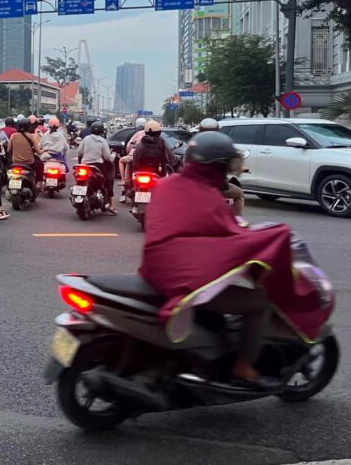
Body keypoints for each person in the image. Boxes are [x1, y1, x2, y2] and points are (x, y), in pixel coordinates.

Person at [139, 131, 333, 389]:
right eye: (226, 166)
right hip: (185, 281)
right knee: (260, 303)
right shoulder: (208, 199)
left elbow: (207, 236)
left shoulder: (166, 185)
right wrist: (272, 239)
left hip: (154, 271)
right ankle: (243, 366)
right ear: (216, 167)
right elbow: (231, 239)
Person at [191, 118, 246, 219]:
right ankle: (237, 220)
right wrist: (239, 168)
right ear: (217, 130)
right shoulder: (223, 145)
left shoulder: (193, 145)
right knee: (239, 194)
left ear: (200, 130)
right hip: (219, 187)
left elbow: (185, 164)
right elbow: (234, 166)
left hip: (196, 187)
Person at [77, 122, 116, 213]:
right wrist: (112, 156)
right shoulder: (102, 141)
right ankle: (111, 205)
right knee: (107, 182)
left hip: (84, 165)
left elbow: (79, 153)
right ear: (102, 131)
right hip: (97, 166)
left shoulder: (86, 139)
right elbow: (107, 157)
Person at [117, 117, 149, 195]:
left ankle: (124, 180)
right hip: (148, 159)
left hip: (133, 156)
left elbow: (128, 146)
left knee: (121, 160)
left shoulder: (135, 133)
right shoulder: (154, 135)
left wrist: (129, 152)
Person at [9, 118, 43, 182]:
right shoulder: (33, 137)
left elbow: (8, 150)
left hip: (15, 162)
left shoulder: (13, 135)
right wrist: (44, 150)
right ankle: (38, 183)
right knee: (41, 164)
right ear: (29, 127)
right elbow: (39, 152)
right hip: (29, 162)